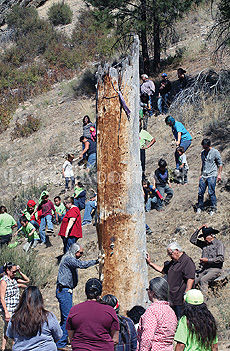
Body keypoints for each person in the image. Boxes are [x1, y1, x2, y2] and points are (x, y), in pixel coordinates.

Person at [56, 244, 99, 350]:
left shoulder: (68, 258)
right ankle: (61, 344)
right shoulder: (68, 259)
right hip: (64, 290)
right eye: (80, 252)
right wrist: (96, 261)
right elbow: (82, 265)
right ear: (75, 251)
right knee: (67, 318)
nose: (81, 255)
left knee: (65, 318)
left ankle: (62, 340)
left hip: (66, 290)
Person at [66, 278, 119, 351]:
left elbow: (71, 337)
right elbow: (115, 339)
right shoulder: (110, 311)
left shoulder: (74, 310)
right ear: (100, 293)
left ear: (86, 292)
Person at [146, 242, 196, 319]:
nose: (170, 256)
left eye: (170, 253)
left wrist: (186, 293)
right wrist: (150, 263)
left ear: (177, 250)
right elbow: (162, 270)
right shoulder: (173, 261)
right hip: (171, 296)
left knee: (180, 318)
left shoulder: (187, 261)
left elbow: (190, 278)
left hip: (180, 297)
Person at [6, 286, 62, 351]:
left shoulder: (15, 318)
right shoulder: (48, 316)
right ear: (40, 300)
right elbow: (58, 335)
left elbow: (11, 335)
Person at [137, 277, 177, 351]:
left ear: (152, 292)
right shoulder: (171, 311)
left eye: (148, 289)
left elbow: (147, 337)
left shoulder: (152, 311)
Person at [0, 262, 30, 351]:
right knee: (13, 329)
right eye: (13, 271)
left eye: (15, 271)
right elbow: (1, 297)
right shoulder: (4, 281)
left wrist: (20, 271)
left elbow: (27, 280)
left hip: (15, 308)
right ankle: (12, 348)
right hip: (8, 309)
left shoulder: (14, 279)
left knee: (9, 329)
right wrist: (6, 312)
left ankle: (4, 347)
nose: (14, 273)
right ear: (7, 271)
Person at [190, 225, 224, 295]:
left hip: (215, 269)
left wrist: (208, 260)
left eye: (205, 237)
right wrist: (199, 229)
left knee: (203, 280)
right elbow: (192, 240)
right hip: (204, 269)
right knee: (193, 280)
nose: (204, 239)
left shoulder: (219, 244)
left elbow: (221, 258)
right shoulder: (204, 244)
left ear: (211, 235)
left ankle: (204, 299)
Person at [196, 138, 223, 216]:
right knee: (200, 192)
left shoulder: (215, 152)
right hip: (204, 175)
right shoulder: (202, 153)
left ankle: (213, 208)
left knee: (211, 192)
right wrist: (201, 174)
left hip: (212, 175)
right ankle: (200, 207)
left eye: (206, 147)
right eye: (203, 147)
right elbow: (203, 164)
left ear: (209, 146)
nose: (205, 149)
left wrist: (219, 174)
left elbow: (220, 163)